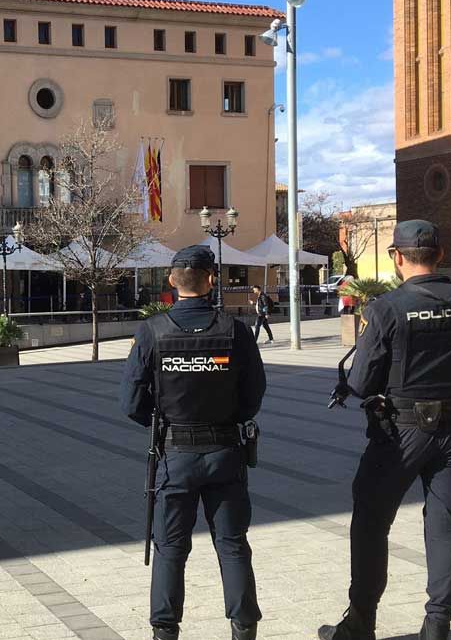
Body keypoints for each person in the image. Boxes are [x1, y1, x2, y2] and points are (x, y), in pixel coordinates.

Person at [319, 220, 451, 640]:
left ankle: (361, 620)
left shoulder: (385, 308)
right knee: (445, 523)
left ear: (397, 257)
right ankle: (437, 623)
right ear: (440, 254)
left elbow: (362, 383)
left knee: (370, 522)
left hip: (399, 433)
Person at [120, 245, 266, 640]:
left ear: (171, 281)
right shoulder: (234, 330)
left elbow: (131, 402)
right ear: (212, 280)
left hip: (175, 454)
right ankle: (243, 627)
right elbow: (254, 394)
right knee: (232, 544)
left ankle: (165, 630)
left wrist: (164, 420)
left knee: (170, 548)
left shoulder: (151, 331)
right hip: (224, 451)